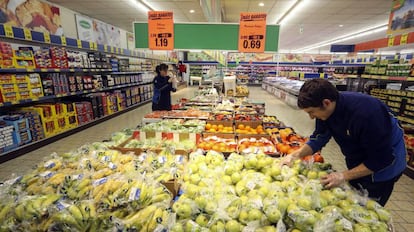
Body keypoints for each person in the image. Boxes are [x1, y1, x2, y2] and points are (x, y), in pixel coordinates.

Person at [282, 78, 406, 206]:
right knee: (352, 199)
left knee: (368, 206)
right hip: (359, 159)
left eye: (311, 112)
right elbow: (319, 138)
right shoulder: (326, 111)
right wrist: (295, 155)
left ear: (326, 103)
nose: (311, 117)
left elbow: (382, 159)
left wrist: (343, 176)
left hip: (384, 169)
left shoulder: (367, 114)